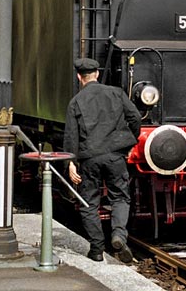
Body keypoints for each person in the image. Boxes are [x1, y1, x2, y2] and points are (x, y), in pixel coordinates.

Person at [63, 57, 141, 263]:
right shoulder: (116, 93)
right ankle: (118, 235)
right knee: (120, 198)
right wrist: (129, 141)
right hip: (116, 155)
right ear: (97, 74)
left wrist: (70, 162)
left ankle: (96, 250)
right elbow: (135, 117)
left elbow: (71, 134)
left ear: (80, 77)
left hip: (89, 158)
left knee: (88, 203)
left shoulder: (76, 101)